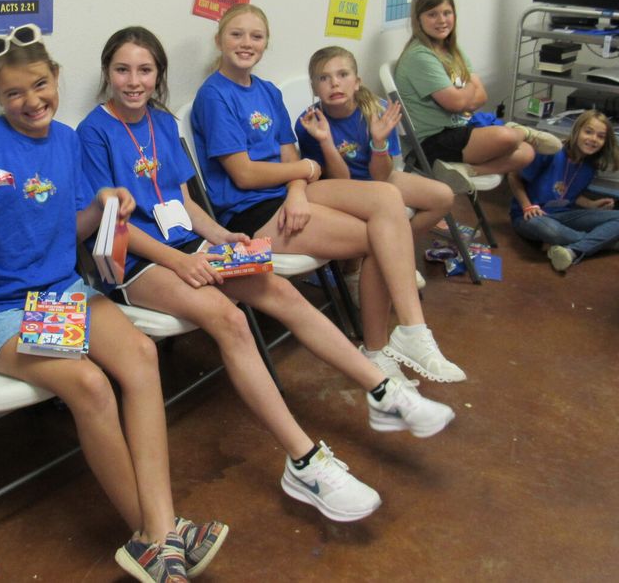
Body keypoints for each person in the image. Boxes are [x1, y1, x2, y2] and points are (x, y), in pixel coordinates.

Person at [78, 28, 457, 524]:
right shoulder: (92, 132)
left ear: (158, 75)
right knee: (231, 320)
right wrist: (180, 261)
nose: (134, 81)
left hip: (192, 245)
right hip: (138, 262)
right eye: (123, 70)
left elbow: (183, 201)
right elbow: (112, 225)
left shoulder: (161, 122)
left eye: (144, 70)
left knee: (282, 293)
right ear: (107, 73)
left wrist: (221, 237)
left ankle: (384, 392)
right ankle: (305, 461)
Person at [0, 24, 225, 583]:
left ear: (57, 77)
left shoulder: (66, 141)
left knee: (140, 354)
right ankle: (155, 537)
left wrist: (107, 201)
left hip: (60, 292)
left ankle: (161, 528)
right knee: (89, 384)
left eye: (40, 84)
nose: (31, 100)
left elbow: (75, 227)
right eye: (13, 93)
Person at [191, 4, 467, 386]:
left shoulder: (267, 91)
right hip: (249, 213)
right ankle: (376, 350)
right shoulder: (214, 96)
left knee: (386, 199)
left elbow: (290, 157)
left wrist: (298, 190)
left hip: (290, 196)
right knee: (380, 238)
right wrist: (306, 171)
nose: (246, 43)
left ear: (266, 43)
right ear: (219, 39)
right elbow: (245, 174)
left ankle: (412, 331)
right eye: (236, 34)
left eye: (256, 36)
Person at [393, 0, 560, 194]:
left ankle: (467, 170)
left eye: (447, 13)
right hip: (430, 142)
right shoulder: (420, 56)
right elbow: (457, 103)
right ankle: (522, 131)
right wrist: (469, 88)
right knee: (508, 137)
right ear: (418, 20)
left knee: (526, 153)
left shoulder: (450, 49)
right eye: (432, 14)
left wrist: (465, 96)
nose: (442, 20)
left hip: (459, 128)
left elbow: (481, 97)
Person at [297, 45, 456, 241]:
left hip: (376, 178)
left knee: (443, 197)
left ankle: (396, 245)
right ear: (314, 88)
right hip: (340, 188)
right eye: (323, 78)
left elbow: (381, 176)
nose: (335, 83)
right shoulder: (309, 123)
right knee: (381, 207)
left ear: (357, 82)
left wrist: (379, 142)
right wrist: (325, 141)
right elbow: (341, 182)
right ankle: (379, 248)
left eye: (343, 74)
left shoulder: (378, 110)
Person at [506, 109, 619, 273]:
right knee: (549, 229)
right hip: (532, 216)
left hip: (564, 215)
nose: (593, 139)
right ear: (577, 131)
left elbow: (569, 194)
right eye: (588, 132)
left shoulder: (589, 166)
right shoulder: (551, 151)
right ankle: (608, 242)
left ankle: (573, 250)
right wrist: (527, 206)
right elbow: (513, 176)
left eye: (600, 136)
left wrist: (591, 204)